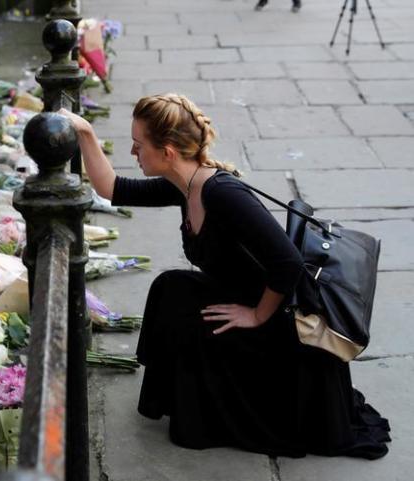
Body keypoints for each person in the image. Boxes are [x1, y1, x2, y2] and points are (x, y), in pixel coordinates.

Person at [59, 93, 391, 459]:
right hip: (243, 291)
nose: (134, 153)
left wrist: (256, 315)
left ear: (168, 152)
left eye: (138, 145)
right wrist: (85, 134)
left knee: (185, 303)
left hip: (281, 321)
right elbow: (111, 188)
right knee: (172, 289)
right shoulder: (184, 184)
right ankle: (187, 398)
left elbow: (288, 263)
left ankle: (214, 411)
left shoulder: (222, 193)